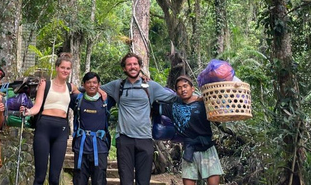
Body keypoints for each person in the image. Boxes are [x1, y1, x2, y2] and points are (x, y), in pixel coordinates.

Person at [101, 53, 177, 185]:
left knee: (143, 180)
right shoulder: (117, 85)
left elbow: (173, 98)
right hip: (124, 139)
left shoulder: (151, 86)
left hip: (145, 138)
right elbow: (91, 88)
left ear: (140, 66)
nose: (132, 67)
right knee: (126, 180)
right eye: (129, 64)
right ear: (124, 68)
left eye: (135, 64)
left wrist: (196, 97)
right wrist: (73, 89)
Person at [160, 76, 223, 185]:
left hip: (206, 147)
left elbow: (219, 113)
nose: (183, 89)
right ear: (176, 92)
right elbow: (152, 103)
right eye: (179, 88)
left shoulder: (204, 103)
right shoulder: (173, 106)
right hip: (189, 149)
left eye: (185, 86)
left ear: (192, 88)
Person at [22, 53, 74, 185]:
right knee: (40, 176)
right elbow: (37, 107)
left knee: (54, 178)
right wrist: (28, 111)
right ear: (57, 68)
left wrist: (101, 92)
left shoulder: (71, 87)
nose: (65, 71)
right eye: (62, 67)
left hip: (61, 130)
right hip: (44, 127)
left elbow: (87, 93)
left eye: (68, 68)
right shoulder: (46, 85)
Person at [71, 72, 115, 185]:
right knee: (79, 180)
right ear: (84, 85)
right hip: (81, 146)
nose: (92, 85)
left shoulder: (106, 100)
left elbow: (121, 87)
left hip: (100, 147)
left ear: (99, 84)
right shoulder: (77, 99)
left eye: (94, 82)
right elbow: (63, 88)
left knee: (99, 180)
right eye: (88, 82)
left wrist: (142, 78)